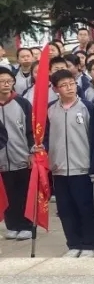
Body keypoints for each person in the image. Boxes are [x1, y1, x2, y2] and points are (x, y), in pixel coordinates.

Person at [43, 68, 94, 257]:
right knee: (65, 209)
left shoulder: (86, 107)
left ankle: (89, 244)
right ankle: (73, 243)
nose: (69, 88)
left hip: (82, 167)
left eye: (72, 84)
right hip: (59, 168)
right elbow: (44, 137)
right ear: (55, 89)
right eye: (64, 85)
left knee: (85, 207)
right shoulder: (50, 109)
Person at [0, 66, 34, 241]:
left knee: (23, 193)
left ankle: (27, 226)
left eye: (9, 81)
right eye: (2, 81)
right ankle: (12, 225)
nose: (6, 84)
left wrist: (31, 152)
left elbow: (31, 130)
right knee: (6, 194)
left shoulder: (22, 103)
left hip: (22, 156)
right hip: (2, 160)